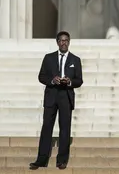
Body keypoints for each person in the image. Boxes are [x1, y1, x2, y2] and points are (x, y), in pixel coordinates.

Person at [29, 31, 83, 170]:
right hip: (51, 96)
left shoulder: (75, 60)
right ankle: (41, 160)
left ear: (69, 42)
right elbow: (41, 76)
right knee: (47, 127)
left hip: (66, 96)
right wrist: (52, 80)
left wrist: (70, 81)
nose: (64, 42)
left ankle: (62, 160)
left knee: (65, 129)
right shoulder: (48, 58)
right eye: (61, 40)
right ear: (57, 42)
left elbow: (79, 80)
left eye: (66, 40)